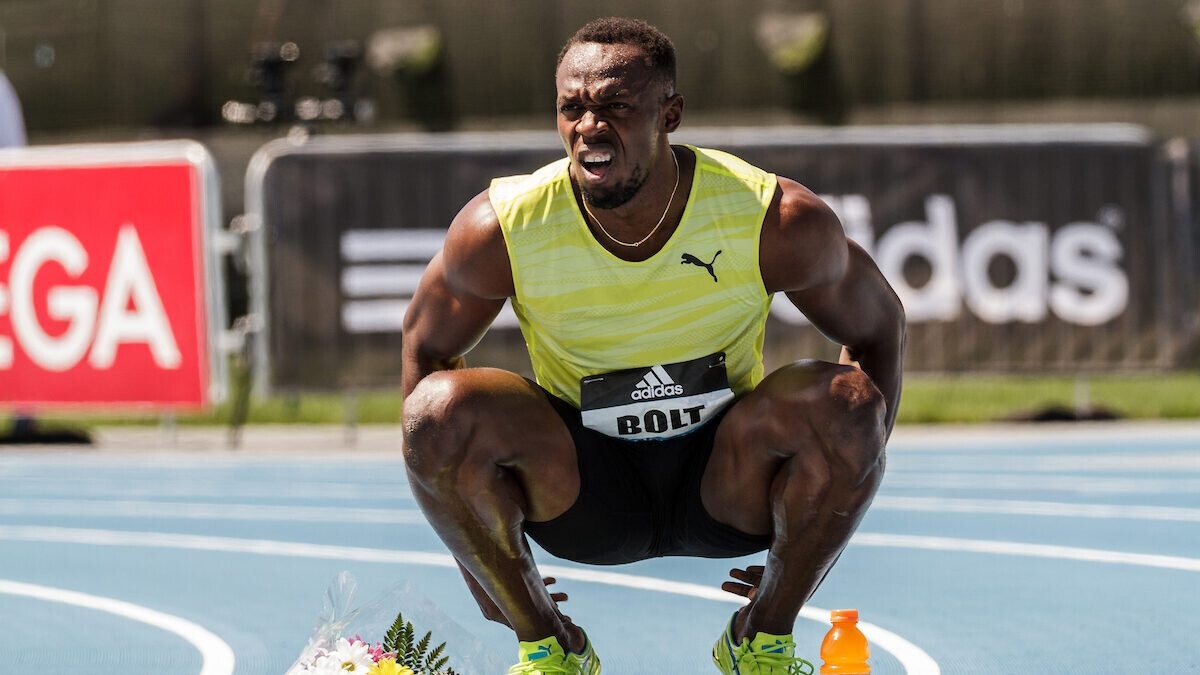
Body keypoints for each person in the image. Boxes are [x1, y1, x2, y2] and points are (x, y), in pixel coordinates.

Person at [401, 17, 905, 675]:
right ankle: (549, 647)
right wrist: (481, 567)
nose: (589, 126)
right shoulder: (503, 227)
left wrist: (815, 546)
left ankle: (762, 640)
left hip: (725, 482)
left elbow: (879, 328)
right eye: (572, 108)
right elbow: (424, 347)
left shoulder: (771, 218)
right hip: (583, 490)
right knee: (440, 410)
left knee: (846, 404)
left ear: (670, 114)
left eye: (615, 105)